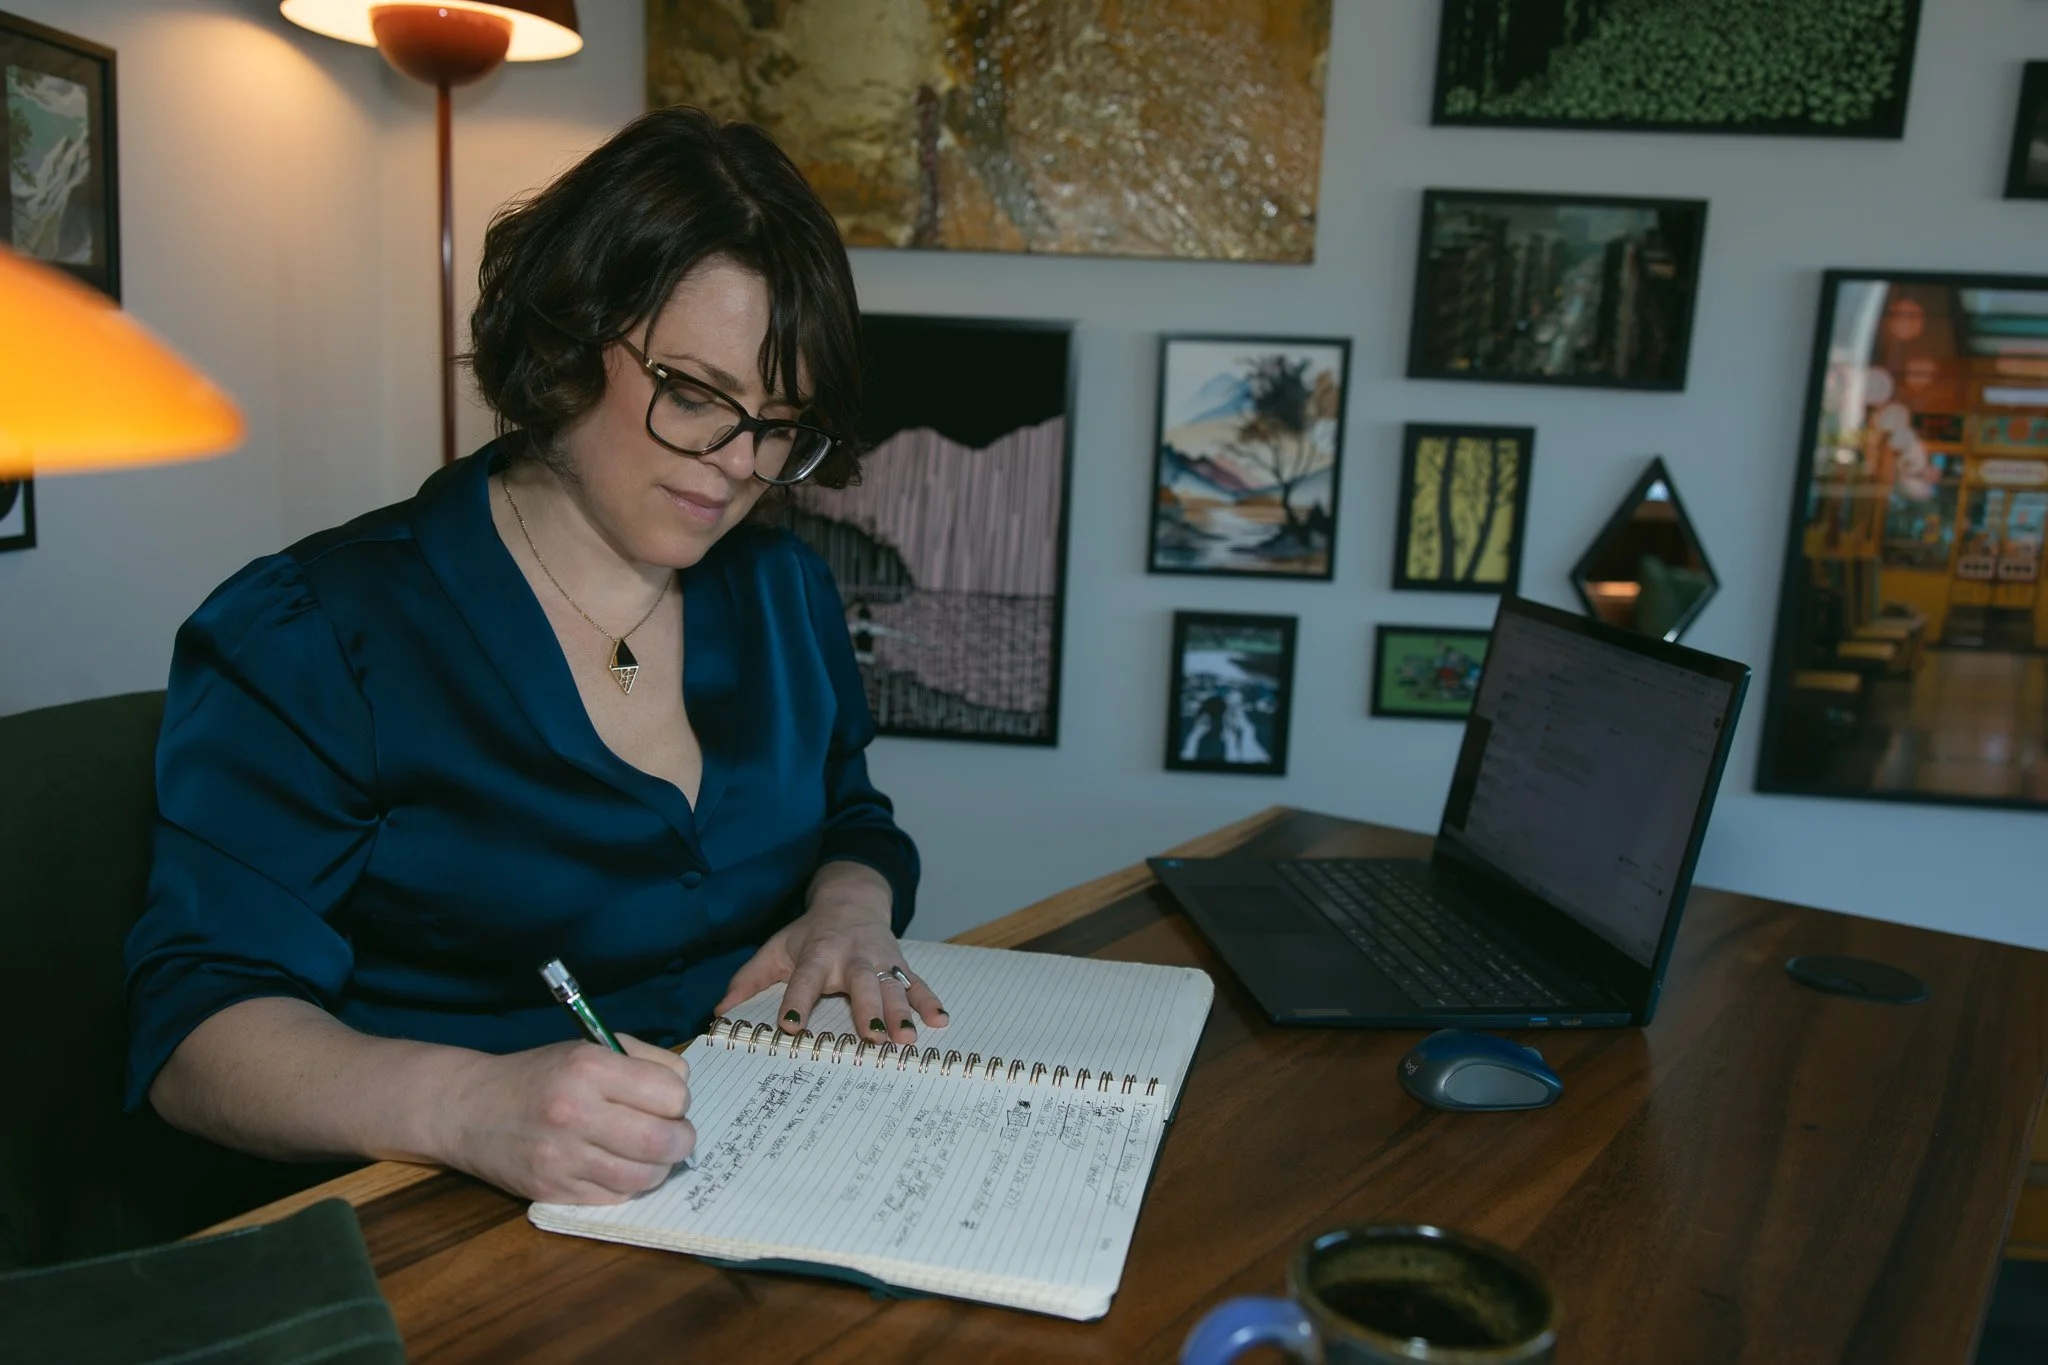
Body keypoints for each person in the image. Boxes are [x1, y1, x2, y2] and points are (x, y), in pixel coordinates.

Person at [122, 108, 944, 1208]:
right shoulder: (319, 629)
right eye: (694, 395)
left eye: (779, 423)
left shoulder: (780, 589)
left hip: (740, 1178)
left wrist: (849, 908)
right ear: (567, 341)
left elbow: (850, 814)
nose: (736, 464)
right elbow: (194, 1037)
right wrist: (469, 1106)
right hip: (419, 1214)